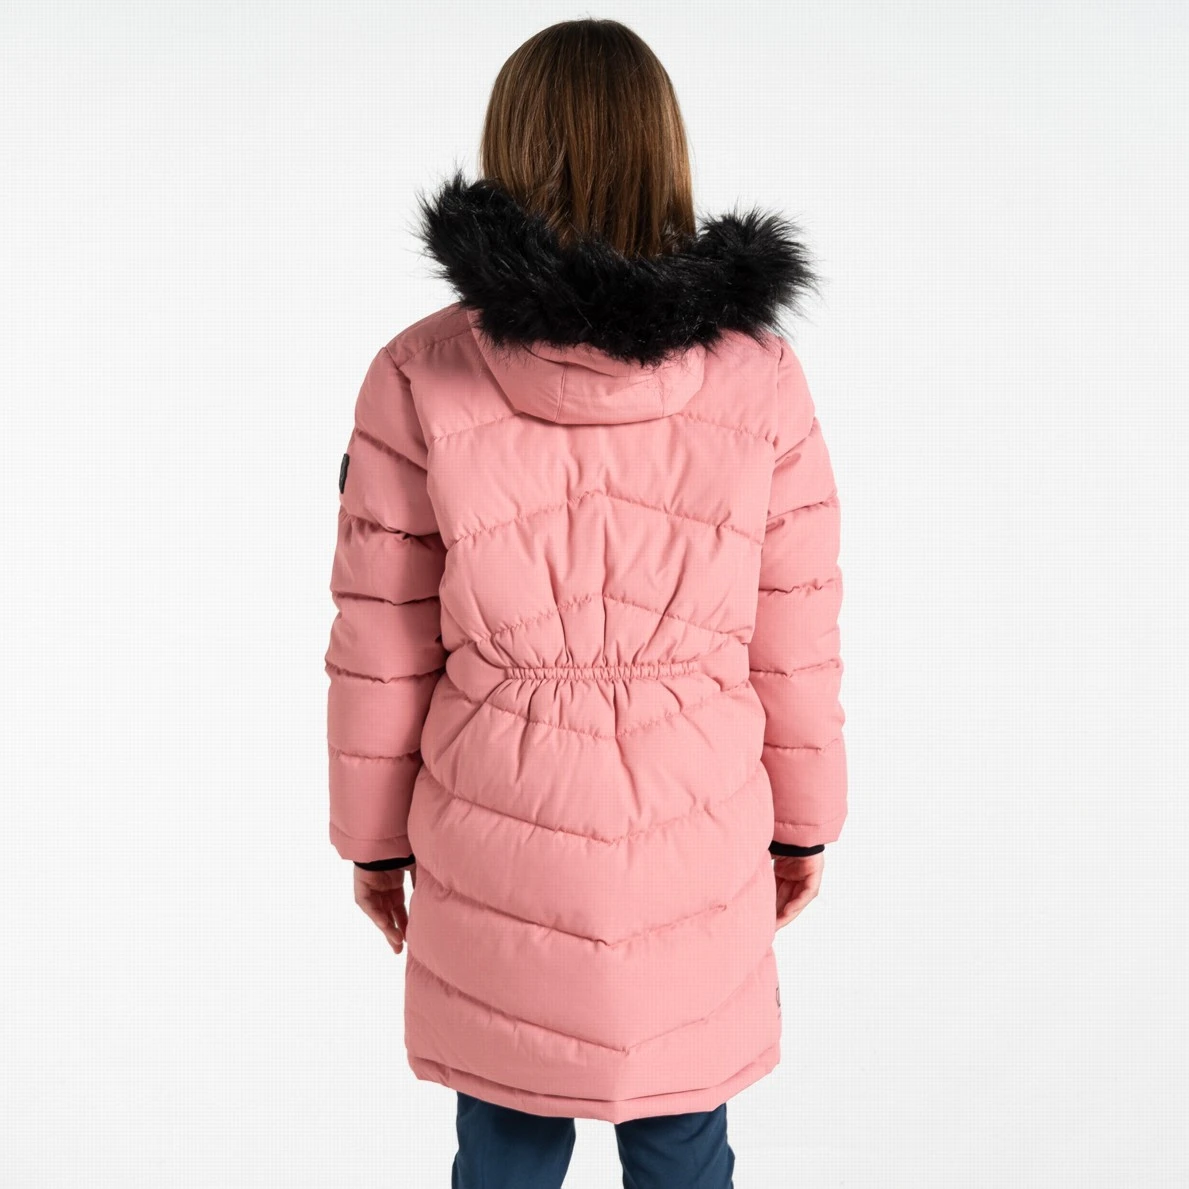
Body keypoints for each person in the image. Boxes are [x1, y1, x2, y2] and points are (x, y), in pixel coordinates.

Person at [325, 18, 847, 1188]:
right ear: (664, 152)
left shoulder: (417, 368)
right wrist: (803, 823)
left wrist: (372, 843)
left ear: (507, 147)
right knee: (682, 1133)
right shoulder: (759, 375)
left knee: (507, 1135)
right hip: (695, 808)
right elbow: (796, 627)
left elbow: (381, 637)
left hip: (496, 813)